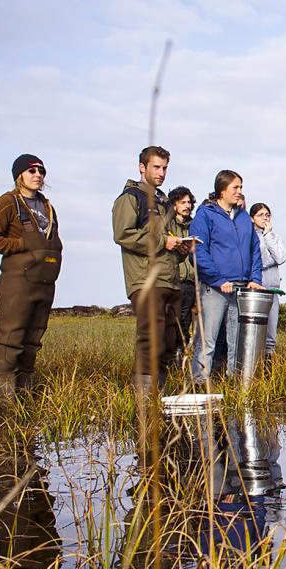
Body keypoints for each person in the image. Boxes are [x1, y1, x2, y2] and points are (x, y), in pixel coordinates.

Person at [0, 155, 63, 398]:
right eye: (31, 170)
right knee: (11, 340)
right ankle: (3, 404)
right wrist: (21, 243)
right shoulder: (8, 203)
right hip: (16, 283)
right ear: (19, 175)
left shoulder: (48, 206)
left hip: (45, 283)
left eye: (41, 171)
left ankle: (25, 398)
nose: (38, 175)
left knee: (33, 341)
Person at [112, 146, 184, 396]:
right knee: (150, 339)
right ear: (142, 167)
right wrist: (163, 241)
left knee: (167, 341)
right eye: (156, 167)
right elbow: (123, 234)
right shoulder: (131, 197)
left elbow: (167, 236)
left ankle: (159, 396)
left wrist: (182, 246)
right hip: (145, 279)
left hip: (170, 279)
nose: (161, 172)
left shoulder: (163, 201)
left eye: (165, 167)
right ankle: (143, 399)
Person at [189, 170, 263, 383]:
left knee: (237, 341)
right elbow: (198, 250)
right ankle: (200, 383)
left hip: (241, 287)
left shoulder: (243, 217)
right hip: (215, 287)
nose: (240, 192)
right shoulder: (206, 214)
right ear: (222, 190)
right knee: (208, 340)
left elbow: (254, 249)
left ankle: (234, 384)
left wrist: (255, 279)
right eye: (235, 188)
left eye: (241, 187)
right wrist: (218, 280)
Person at [249, 202, 286, 361]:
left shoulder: (272, 235)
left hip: (272, 289)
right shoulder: (249, 237)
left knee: (271, 335)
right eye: (260, 215)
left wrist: (268, 235)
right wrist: (271, 258)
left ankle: (268, 369)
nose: (265, 218)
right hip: (257, 289)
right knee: (255, 333)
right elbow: (257, 261)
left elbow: (282, 257)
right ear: (252, 218)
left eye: (267, 215)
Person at [167, 186, 196, 363]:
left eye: (189, 202)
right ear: (174, 204)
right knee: (172, 325)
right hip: (173, 281)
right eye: (182, 202)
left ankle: (179, 362)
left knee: (185, 326)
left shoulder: (194, 226)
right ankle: (170, 362)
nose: (187, 206)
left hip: (191, 283)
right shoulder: (168, 225)